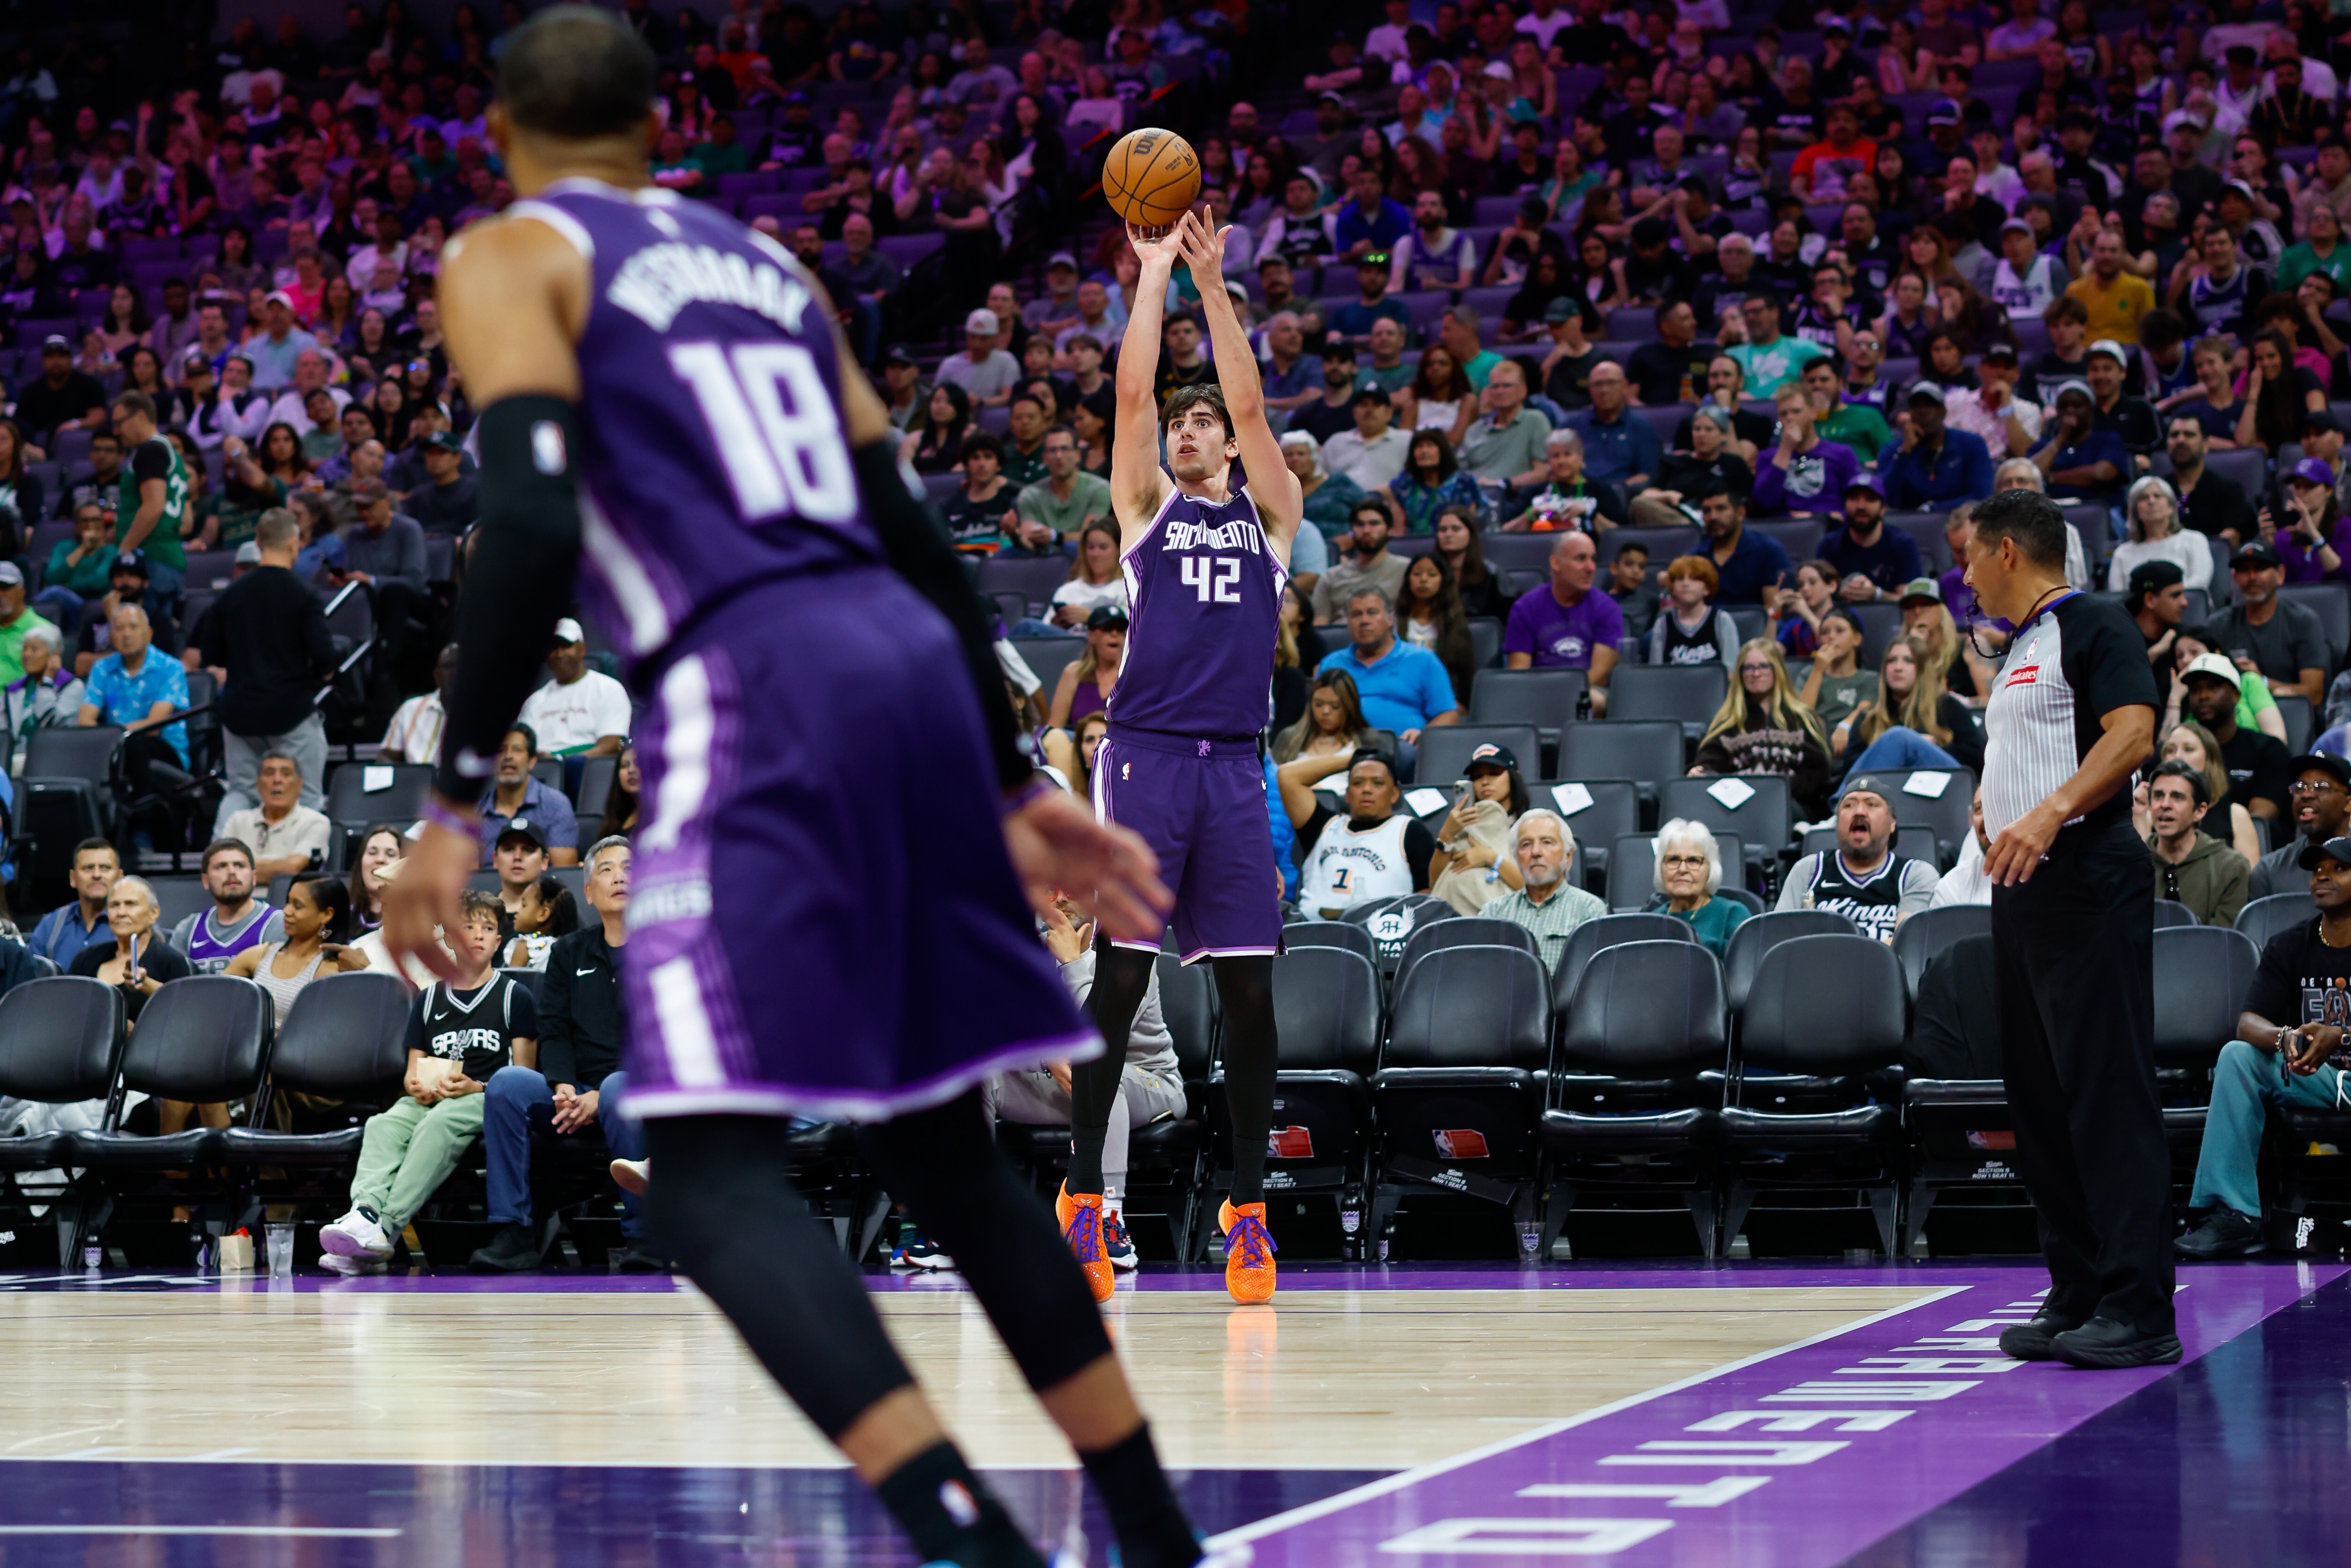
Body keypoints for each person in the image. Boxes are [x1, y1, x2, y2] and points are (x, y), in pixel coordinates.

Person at [377, 14, 1241, 1562]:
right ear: (657, 132)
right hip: (907, 674)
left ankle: (963, 1532)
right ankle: (1152, 1530)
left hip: (751, 688)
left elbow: (530, 519)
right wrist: (1010, 773)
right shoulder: (763, 269)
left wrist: (450, 800)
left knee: (708, 1181)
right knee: (937, 1149)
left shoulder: (516, 253)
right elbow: (902, 522)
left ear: (508, 136)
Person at [1965, 486, 2175, 1369]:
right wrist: (1996, 799)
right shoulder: (2021, 645)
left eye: (1970, 556)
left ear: (2008, 551)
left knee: (2105, 1090)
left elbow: (2132, 735)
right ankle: (2079, 1289)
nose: (1965, 575)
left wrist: (2049, 810)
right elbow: (2038, 744)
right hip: (2023, 889)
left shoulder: (2095, 623)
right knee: (2041, 1097)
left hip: (2087, 874)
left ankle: (2139, 1305)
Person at [322, 888, 535, 1274]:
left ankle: (386, 1228)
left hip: (484, 1097)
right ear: (449, 938)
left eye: (488, 928)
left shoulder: (514, 997)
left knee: (439, 1124)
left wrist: (478, 1087)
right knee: (383, 1124)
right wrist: (416, 1085)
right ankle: (364, 1215)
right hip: (430, 1097)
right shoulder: (429, 998)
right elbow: (412, 1070)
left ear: (498, 941)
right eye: (468, 927)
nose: (478, 935)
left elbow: (524, 1078)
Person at [471, 837, 654, 1272]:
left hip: (636, 1088)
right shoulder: (567, 952)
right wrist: (563, 1087)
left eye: (629, 868)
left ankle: (646, 1236)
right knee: (508, 1084)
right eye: (606, 870)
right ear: (589, 891)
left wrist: (598, 1096)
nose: (619, 877)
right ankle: (514, 1232)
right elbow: (553, 1030)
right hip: (574, 1091)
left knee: (618, 1086)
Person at [986, 895, 1187, 1274]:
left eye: (1072, 887)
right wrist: (1045, 1057)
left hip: (1148, 1081)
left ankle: (1106, 1216)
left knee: (1101, 1074)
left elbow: (1096, 1041)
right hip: (1061, 1082)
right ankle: (968, 1216)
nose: (1061, 897)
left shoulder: (1129, 951)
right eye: (1052, 886)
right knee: (977, 1079)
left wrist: (1072, 965)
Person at [2174, 833, 2351, 1257]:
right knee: (2237, 1056)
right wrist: (2284, 1037)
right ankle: (2233, 1215)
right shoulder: (2289, 945)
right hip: (2316, 1078)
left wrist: (2342, 1036)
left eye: (2339, 868)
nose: (2322, 876)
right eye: (2317, 869)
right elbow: (2247, 1022)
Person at [194, 507, 335, 829]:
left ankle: (223, 851)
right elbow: (325, 657)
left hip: (240, 714)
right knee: (306, 797)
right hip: (291, 712)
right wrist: (316, 676)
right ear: (294, 543)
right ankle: (305, 859)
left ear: (258, 543)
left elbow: (212, 654)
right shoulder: (303, 594)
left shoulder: (230, 595)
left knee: (241, 794)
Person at [1775, 774, 1939, 941]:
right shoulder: (1809, 870)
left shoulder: (1915, 875)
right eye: (1849, 805)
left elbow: (1906, 944)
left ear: (1892, 824)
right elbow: (1779, 939)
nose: (1859, 812)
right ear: (1837, 822)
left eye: (1872, 804)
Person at [1278, 747, 1436, 917]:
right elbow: (1288, 776)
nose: (1367, 789)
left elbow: (1426, 897)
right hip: (1314, 929)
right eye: (1357, 783)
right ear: (1347, 794)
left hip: (1382, 930)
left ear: (1394, 794)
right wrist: (1354, 759)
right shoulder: (1323, 827)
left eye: (1378, 783)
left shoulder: (1410, 831)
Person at [1317, 586, 1461, 768]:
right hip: (1341, 751)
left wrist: (1425, 734)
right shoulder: (1331, 663)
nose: (1364, 621)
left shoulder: (1422, 659)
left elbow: (1448, 714)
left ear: (1390, 619)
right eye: (1356, 615)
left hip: (1405, 753)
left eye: (1372, 613)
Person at [1691, 639, 1835, 821]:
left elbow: (1817, 775)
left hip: (1790, 807)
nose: (1756, 674)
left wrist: (1775, 788)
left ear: (1777, 671)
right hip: (1739, 808)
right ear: (1740, 675)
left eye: (1764, 667)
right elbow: (1709, 765)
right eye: (1749, 668)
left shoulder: (1802, 720)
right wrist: (1700, 771)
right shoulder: (1727, 723)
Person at [1836, 637, 1986, 775]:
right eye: (1892, 661)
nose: (1898, 667)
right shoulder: (1869, 717)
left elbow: (1976, 761)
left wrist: (1931, 747)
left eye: (1908, 661)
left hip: (1938, 787)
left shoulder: (1947, 707)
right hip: (1883, 790)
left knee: (1901, 738)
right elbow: (1851, 770)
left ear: (1922, 669)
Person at [1503, 530, 1623, 703]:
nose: (1591, 568)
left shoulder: (1607, 608)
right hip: (1536, 693)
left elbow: (1601, 674)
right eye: (1581, 559)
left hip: (1587, 689)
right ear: (1556, 563)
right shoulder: (1526, 608)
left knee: (1594, 700)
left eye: (1593, 559)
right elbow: (1519, 672)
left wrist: (1562, 697)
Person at [1479, 807, 1607, 968]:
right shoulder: (1494, 912)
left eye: (1547, 842)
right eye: (1526, 845)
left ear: (1568, 856)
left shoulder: (1590, 910)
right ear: (1516, 858)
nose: (1536, 852)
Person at [2208, 540, 2328, 708]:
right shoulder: (2219, 624)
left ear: (2280, 575)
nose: (2252, 577)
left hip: (2288, 714)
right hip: (2236, 713)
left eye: (2260, 569)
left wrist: (2261, 682)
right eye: (2244, 570)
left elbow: (2314, 694)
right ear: (2235, 578)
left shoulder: (2303, 621)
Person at [2178, 652, 2292, 825]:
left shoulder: (2268, 749)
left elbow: (2259, 820)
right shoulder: (2181, 753)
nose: (2203, 696)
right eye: (2195, 690)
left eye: (2213, 687)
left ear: (2235, 695)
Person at [2138, 758, 2250, 924]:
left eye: (2177, 797)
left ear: (2199, 811)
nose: (2165, 805)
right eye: (2158, 796)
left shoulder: (2231, 867)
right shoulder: (2132, 864)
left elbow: (2223, 936)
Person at [1426, 741, 1529, 916]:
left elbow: (1537, 890)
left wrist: (1490, 858)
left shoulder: (1530, 825)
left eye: (1494, 773)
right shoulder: (1462, 826)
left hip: (1502, 920)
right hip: (1452, 918)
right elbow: (1435, 883)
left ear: (1515, 776)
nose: (1485, 782)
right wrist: (1446, 834)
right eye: (1477, 777)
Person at [516, 617, 630, 760]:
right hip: (542, 768)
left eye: (566, 646)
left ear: (582, 649)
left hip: (589, 768)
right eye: (553, 648)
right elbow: (521, 748)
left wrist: (562, 761)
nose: (559, 654)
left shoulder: (609, 690)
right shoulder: (534, 702)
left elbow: (611, 744)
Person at [170, 838, 287, 973]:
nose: (232, 872)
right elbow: (172, 984)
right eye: (221, 867)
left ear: (254, 878)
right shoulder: (187, 931)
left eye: (240, 866)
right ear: (205, 880)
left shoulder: (279, 925)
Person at [217, 750, 334, 879]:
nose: (277, 780)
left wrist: (239, 867)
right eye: (269, 774)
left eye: (286, 774)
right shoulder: (237, 821)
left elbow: (292, 869)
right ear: (258, 784)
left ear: (300, 784)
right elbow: (220, 867)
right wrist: (280, 864)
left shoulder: (315, 822)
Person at [2249, 752, 2351, 898]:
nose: (2306, 795)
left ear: (2348, 804)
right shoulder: (2269, 871)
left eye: (2321, 787)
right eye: (2300, 787)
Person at [1883, 384, 1998, 510]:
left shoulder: (1972, 444)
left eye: (1930, 405)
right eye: (1917, 406)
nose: (1924, 411)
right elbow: (1884, 499)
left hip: (1962, 519)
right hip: (1910, 521)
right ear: (1910, 413)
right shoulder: (1894, 451)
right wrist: (1904, 453)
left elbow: (1981, 496)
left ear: (1943, 411)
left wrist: (1934, 508)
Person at [1650, 818, 1749, 956]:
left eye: (1694, 861)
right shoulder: (1652, 919)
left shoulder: (1732, 915)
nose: (1682, 869)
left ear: (1711, 869)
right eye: (1673, 860)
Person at [28, 838, 123, 966]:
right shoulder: (50, 927)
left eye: (105, 868)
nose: (97, 875)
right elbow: (33, 976)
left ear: (120, 877)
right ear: (73, 878)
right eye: (88, 868)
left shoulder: (134, 925)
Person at [1310, 502, 1409, 623]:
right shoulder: (1331, 577)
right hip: (1343, 633)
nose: (1366, 530)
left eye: (1374, 524)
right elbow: (1320, 623)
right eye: (1360, 525)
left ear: (1390, 530)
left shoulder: (1407, 570)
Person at [2108, 476, 2210, 592]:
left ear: (2171, 507)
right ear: (2136, 511)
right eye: (2144, 498)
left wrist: (2162, 597)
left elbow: (2199, 582)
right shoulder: (2122, 553)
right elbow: (2117, 595)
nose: (2151, 501)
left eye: (2157, 496)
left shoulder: (2195, 541)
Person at [1645, 555, 1741, 669]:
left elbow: (1731, 670)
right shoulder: (1663, 625)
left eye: (1694, 579)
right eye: (1680, 579)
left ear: (1707, 589)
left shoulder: (1722, 621)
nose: (1686, 584)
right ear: (1673, 589)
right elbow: (1656, 673)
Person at [1048, 605, 1126, 730]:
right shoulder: (1074, 673)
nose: (1114, 633)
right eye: (1107, 629)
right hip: (1077, 740)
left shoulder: (1131, 675)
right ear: (1091, 635)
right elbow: (1055, 727)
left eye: (1120, 629)